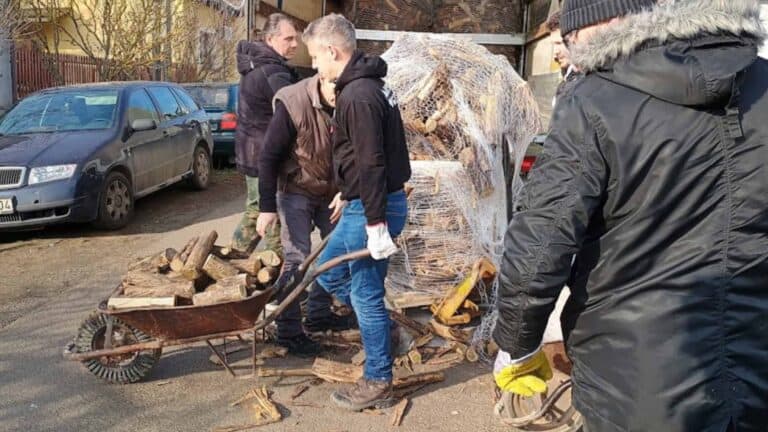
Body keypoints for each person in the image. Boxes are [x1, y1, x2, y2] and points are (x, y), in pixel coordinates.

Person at [492, 1, 768, 431]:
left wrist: (516, 345)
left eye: (569, 39)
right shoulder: (763, 84)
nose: (567, 53)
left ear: (602, 26)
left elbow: (540, 242)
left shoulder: (593, 97)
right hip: (755, 367)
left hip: (632, 377)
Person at [302, 13, 411, 411]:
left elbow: (372, 162)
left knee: (362, 292)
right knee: (329, 274)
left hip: (373, 206)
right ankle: (389, 334)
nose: (315, 65)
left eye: (316, 56)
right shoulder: (370, 87)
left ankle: (379, 379)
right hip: (365, 201)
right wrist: (348, 194)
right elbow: (364, 159)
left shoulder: (358, 96)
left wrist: (375, 222)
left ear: (333, 50)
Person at [255, 75, 355, 356]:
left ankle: (319, 313)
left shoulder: (351, 100)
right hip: (295, 190)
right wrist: (266, 208)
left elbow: (357, 152)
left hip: (332, 193)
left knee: (337, 252)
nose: (338, 98)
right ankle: (289, 331)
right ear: (322, 79)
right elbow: (268, 157)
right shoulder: (293, 102)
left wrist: (346, 190)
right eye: (334, 92)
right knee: (297, 258)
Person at [231, 13, 299, 254]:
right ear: (270, 39)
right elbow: (297, 110)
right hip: (264, 154)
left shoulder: (259, 66)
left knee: (258, 208)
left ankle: (233, 257)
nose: (295, 44)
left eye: (296, 39)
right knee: (270, 210)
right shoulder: (272, 73)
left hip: (252, 150)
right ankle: (280, 272)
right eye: (288, 39)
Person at [546, 10, 581, 106]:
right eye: (554, 45)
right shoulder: (567, 77)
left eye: (559, 43)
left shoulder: (590, 80)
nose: (555, 52)